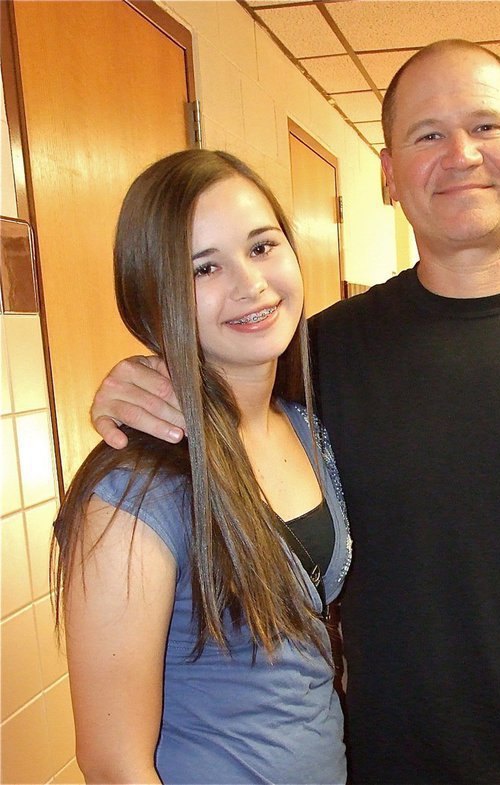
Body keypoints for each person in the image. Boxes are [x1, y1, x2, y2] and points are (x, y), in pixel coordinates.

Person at [89, 41, 500, 785]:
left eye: (487, 127)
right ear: (388, 174)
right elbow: (219, 403)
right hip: (386, 767)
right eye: (428, 134)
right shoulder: (319, 354)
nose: (462, 153)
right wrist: (138, 378)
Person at [52, 149, 351, 784]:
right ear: (151, 299)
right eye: (204, 267)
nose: (249, 283)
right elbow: (112, 766)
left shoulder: (304, 427)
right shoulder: (133, 492)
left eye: (263, 247)